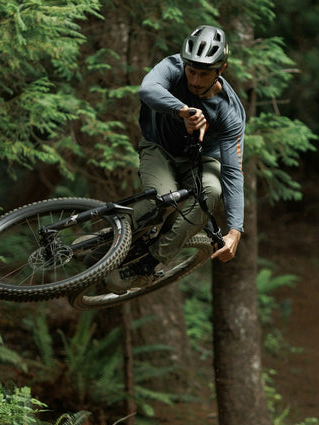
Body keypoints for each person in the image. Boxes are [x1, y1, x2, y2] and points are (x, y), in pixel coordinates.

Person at [105, 24, 246, 294]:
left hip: (202, 160)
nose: (195, 80)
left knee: (212, 190)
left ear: (221, 70)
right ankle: (109, 240)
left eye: (204, 74)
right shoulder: (172, 66)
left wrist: (235, 230)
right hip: (159, 147)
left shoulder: (229, 112)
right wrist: (181, 110)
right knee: (160, 199)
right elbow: (147, 89)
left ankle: (147, 264)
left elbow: (232, 172)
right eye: (191, 71)